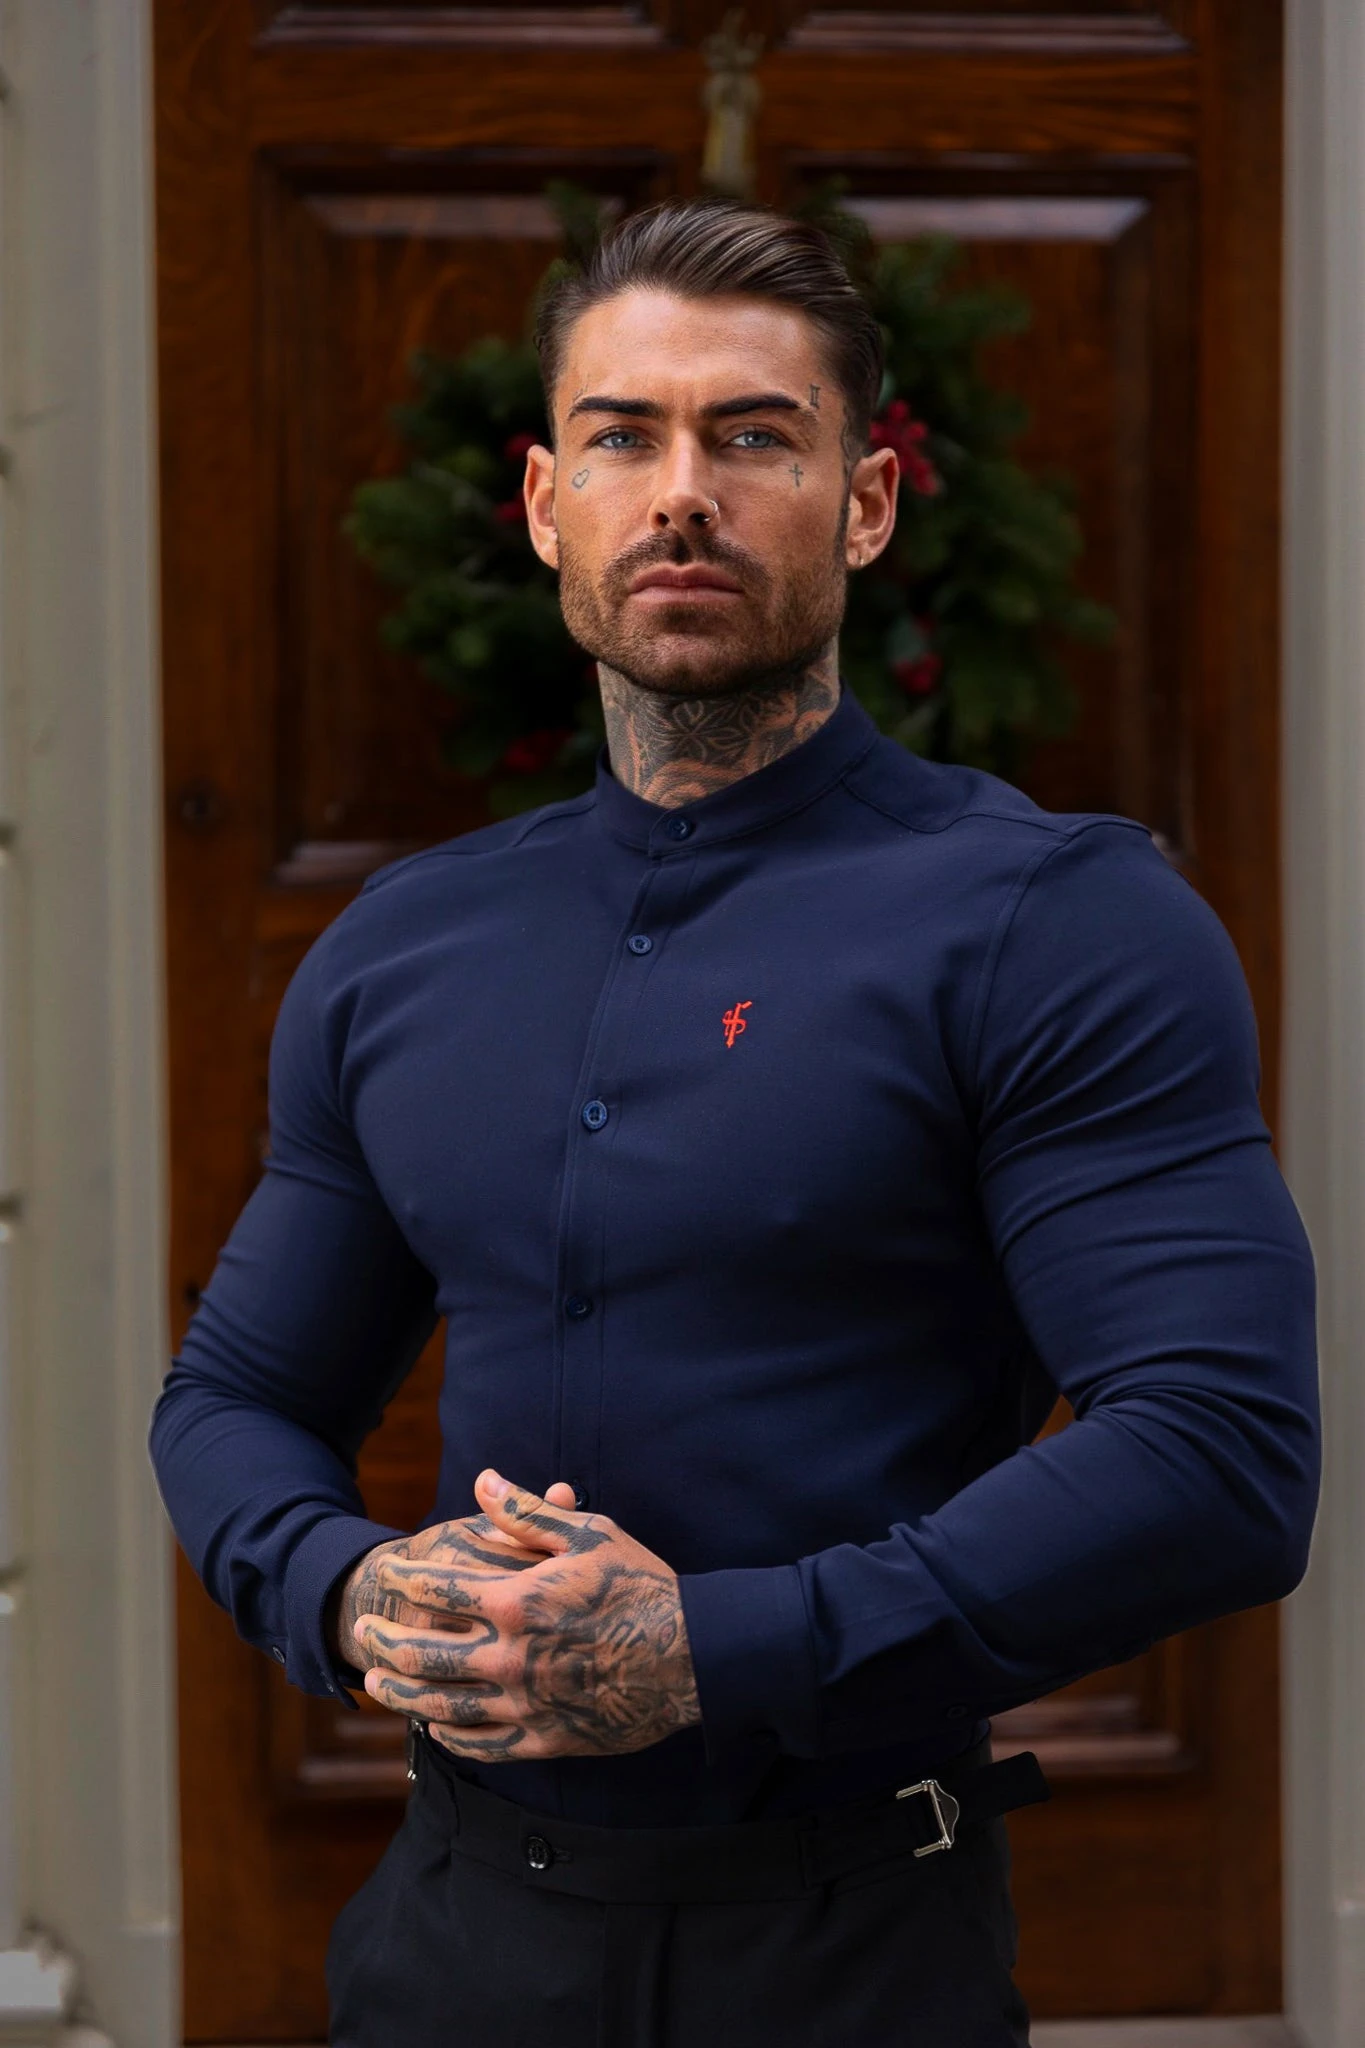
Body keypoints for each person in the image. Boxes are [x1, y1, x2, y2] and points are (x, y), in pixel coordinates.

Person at [150, 199, 1320, 2047]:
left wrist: (711, 1648)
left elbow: (1219, 1454)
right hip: (451, 1945)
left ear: (864, 504)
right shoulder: (399, 949)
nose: (682, 492)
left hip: (852, 1948)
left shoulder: (1058, 923)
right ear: (549, 507)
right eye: (623, 436)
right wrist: (350, 1588)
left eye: (754, 436)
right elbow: (233, 1398)